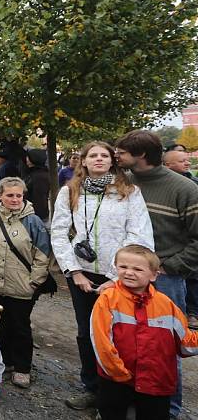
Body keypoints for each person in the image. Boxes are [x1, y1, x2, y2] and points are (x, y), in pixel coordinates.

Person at [50, 141, 154, 411]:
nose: (98, 159)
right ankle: (93, 389)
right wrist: (73, 272)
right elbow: (59, 233)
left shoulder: (128, 192)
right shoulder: (69, 191)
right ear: (83, 161)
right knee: (87, 333)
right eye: (92, 155)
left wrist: (115, 276)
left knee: (120, 335)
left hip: (120, 276)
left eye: (104, 155)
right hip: (82, 274)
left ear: (112, 161)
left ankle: (120, 394)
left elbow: (138, 234)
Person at [115, 130, 198, 418]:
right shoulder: (125, 183)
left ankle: (169, 409)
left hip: (166, 280)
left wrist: (168, 267)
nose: (117, 156)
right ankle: (135, 402)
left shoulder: (184, 189)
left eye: (122, 152)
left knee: (164, 348)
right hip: (127, 278)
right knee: (129, 343)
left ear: (140, 155)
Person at [90, 245, 198, 420]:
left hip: (155, 382)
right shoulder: (108, 299)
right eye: (123, 267)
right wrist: (118, 373)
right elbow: (101, 342)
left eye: (138, 269)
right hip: (117, 382)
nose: (129, 272)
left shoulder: (166, 304)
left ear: (154, 275)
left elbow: (185, 343)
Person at [0, 177, 52, 389]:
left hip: (21, 285)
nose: (15, 199)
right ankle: (5, 360)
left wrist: (34, 281)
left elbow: (43, 254)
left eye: (19, 195)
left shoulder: (32, 222)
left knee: (20, 327)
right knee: (1, 324)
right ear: (0, 196)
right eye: (10, 195)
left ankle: (22, 367)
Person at [23, 148, 50, 222]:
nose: (26, 160)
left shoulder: (39, 176)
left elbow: (39, 198)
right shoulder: (32, 173)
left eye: (28, 157)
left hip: (36, 216)